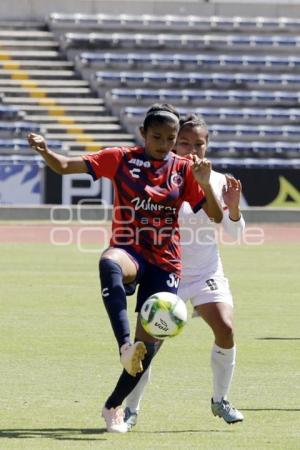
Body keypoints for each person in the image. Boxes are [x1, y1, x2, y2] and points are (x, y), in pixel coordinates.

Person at [27, 104, 223, 433]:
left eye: (171, 138)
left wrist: (204, 184)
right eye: (157, 136)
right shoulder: (121, 158)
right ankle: (123, 347)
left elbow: (216, 217)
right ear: (143, 133)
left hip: (166, 262)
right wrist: (46, 150)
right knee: (109, 262)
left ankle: (113, 406)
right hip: (129, 249)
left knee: (148, 348)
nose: (164, 143)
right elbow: (63, 166)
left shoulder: (184, 170)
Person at [124, 114, 245, 430]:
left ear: (207, 145)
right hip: (166, 274)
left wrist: (233, 209)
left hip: (206, 272)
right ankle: (130, 409)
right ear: (173, 143)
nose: (193, 149)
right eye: (185, 143)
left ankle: (221, 401)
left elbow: (235, 235)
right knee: (147, 347)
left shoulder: (219, 181)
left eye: (199, 143)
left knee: (226, 328)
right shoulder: (157, 178)